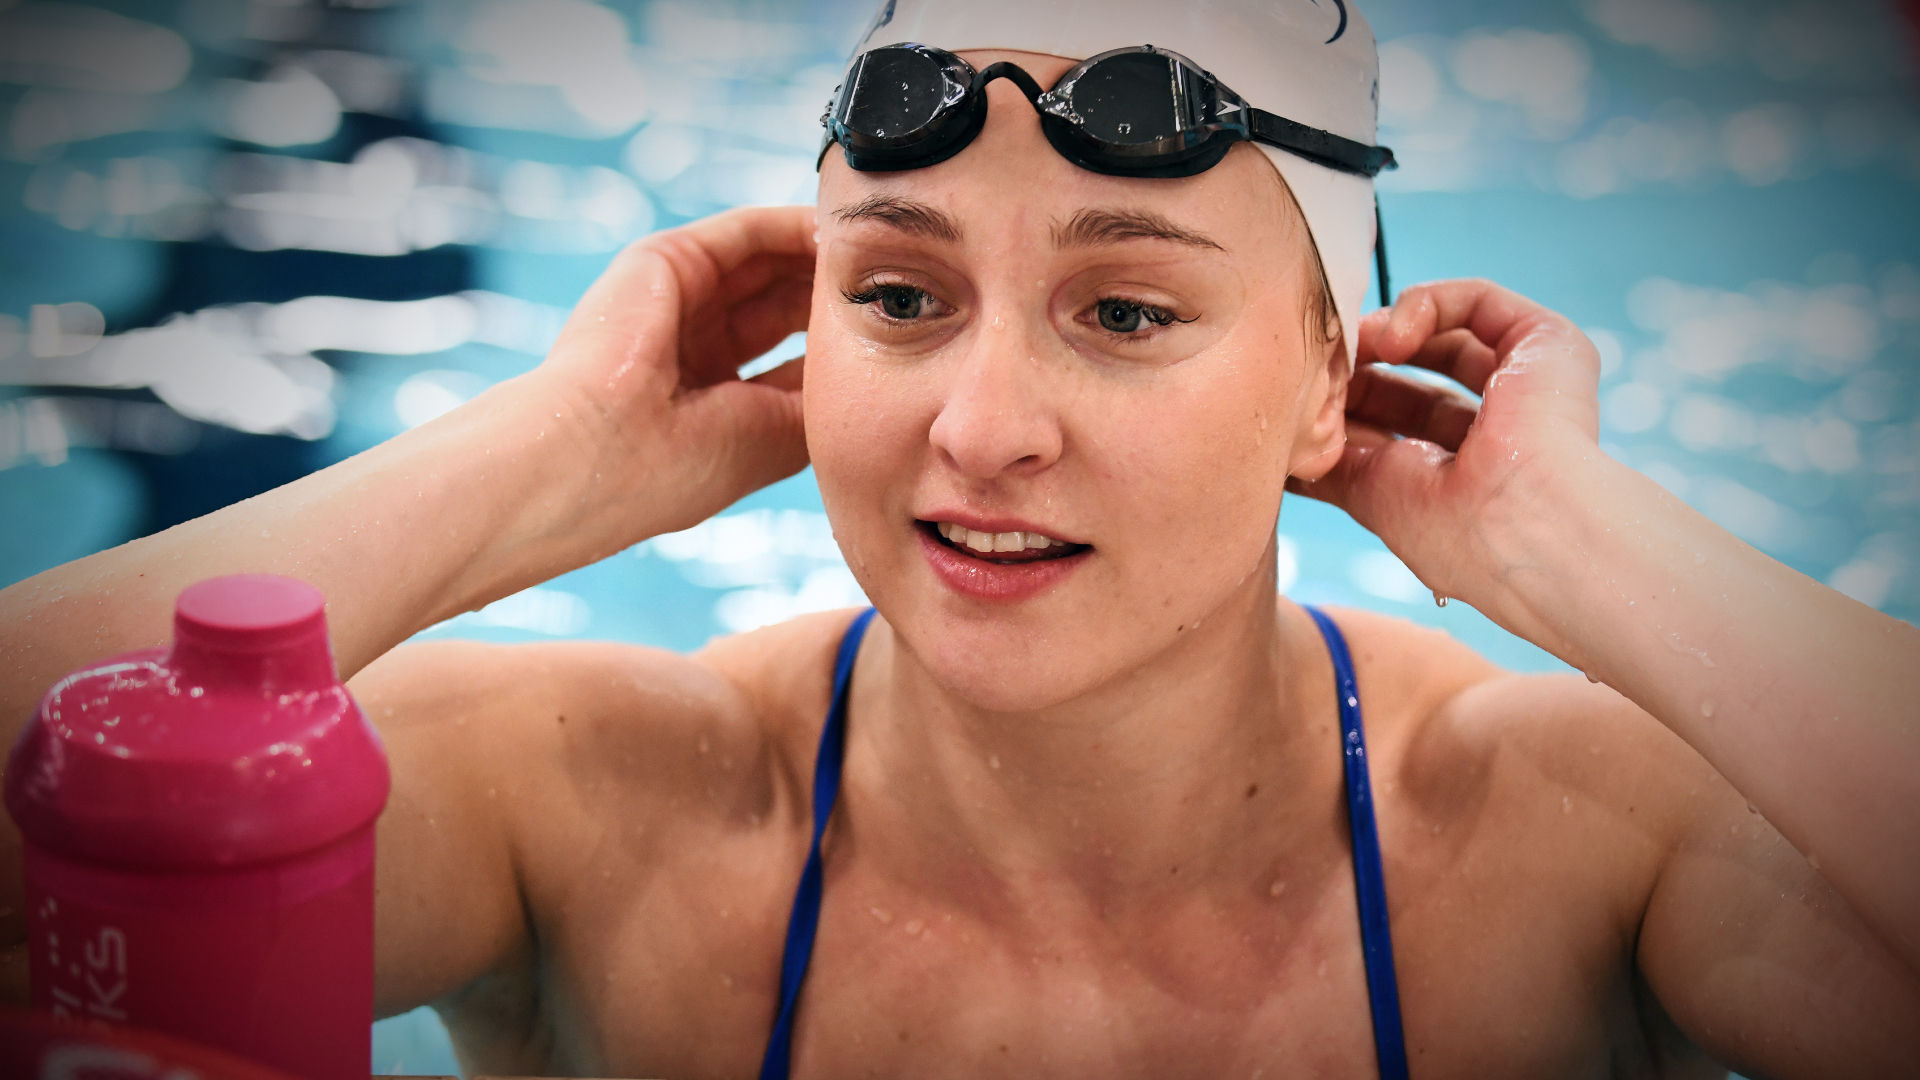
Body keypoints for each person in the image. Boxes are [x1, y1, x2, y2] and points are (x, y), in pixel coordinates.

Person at [4, 1, 1918, 1076]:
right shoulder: (596, 812)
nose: (980, 427)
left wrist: (1567, 540)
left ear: (1327, 380)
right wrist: (546, 454)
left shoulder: (1562, 853)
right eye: (901, 298)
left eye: (1128, 310)